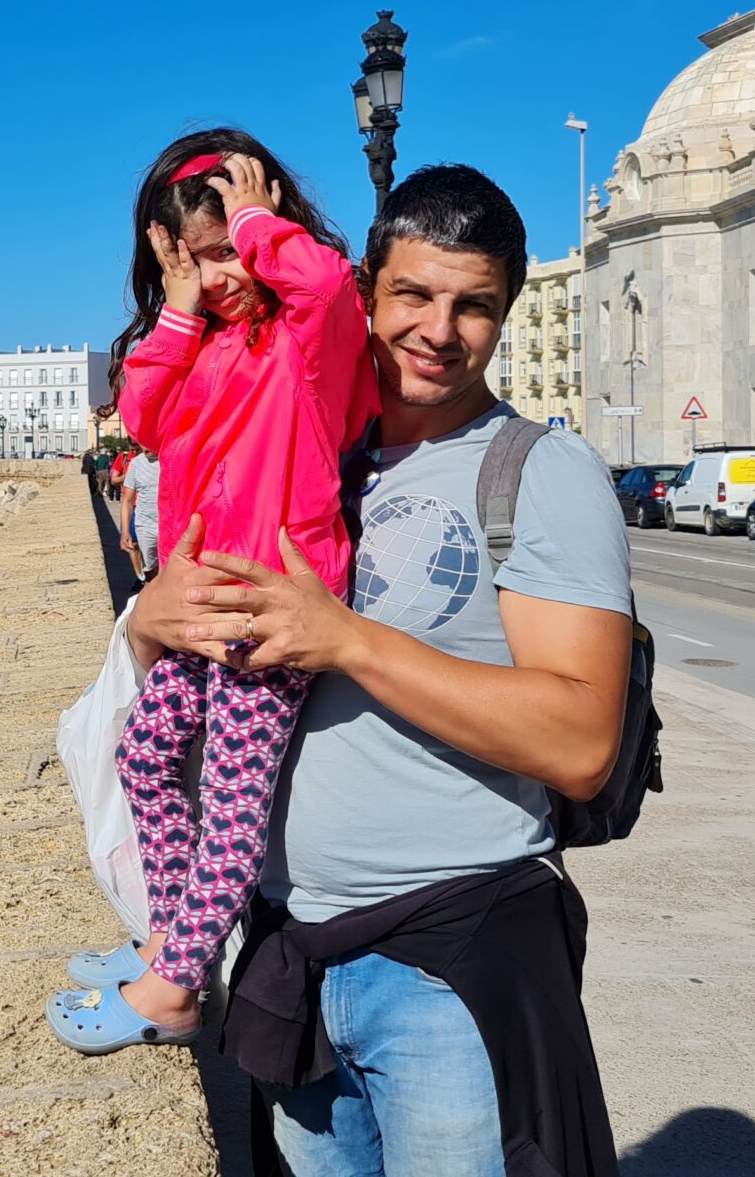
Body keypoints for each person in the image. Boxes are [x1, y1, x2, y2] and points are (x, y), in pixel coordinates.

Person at [123, 164, 631, 1176]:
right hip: (291, 961)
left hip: (447, 962)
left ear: (502, 318)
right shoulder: (309, 442)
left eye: (473, 306)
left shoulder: (536, 470)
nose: (439, 330)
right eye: (413, 295)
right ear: (366, 291)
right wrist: (150, 627)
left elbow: (580, 744)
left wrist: (346, 639)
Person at [44, 129, 379, 1054]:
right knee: (146, 757)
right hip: (200, 606)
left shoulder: (307, 336)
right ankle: (169, 935)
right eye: (194, 262)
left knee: (234, 800)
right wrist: (183, 310)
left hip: (269, 605)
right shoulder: (215, 339)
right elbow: (144, 416)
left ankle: (176, 987)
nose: (220, 274)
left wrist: (256, 224)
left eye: (226, 253)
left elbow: (317, 285)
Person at [121, 444, 163, 578]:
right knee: (150, 568)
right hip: (145, 525)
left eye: (148, 444)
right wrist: (125, 532)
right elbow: (127, 500)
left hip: (168, 525)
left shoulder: (170, 459)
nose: (145, 449)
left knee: (170, 566)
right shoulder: (135, 464)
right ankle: (152, 592)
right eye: (142, 444)